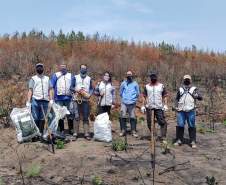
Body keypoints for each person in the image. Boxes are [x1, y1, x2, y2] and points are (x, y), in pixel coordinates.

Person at [174, 75, 203, 148]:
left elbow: (201, 97)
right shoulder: (180, 89)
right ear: (183, 80)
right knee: (180, 125)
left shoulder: (194, 89)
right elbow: (176, 99)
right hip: (181, 110)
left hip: (191, 110)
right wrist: (175, 107)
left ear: (190, 80)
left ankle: (193, 141)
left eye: (188, 79)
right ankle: (179, 140)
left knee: (191, 125)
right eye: (185, 79)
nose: (187, 81)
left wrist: (197, 96)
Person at [141, 72, 168, 142]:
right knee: (149, 122)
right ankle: (154, 135)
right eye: (152, 77)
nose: (153, 79)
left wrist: (165, 105)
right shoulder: (147, 86)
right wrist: (143, 105)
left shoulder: (161, 86)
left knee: (162, 122)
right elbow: (144, 96)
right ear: (150, 78)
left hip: (159, 107)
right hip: (149, 107)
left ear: (156, 78)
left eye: (154, 77)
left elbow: (165, 96)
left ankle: (163, 136)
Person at [50, 62, 75, 135]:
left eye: (64, 66)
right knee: (60, 115)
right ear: (59, 67)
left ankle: (71, 130)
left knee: (70, 114)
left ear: (66, 67)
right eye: (61, 66)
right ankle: (62, 130)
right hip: (58, 98)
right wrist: (52, 98)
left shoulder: (71, 75)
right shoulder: (56, 75)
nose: (63, 68)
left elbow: (74, 86)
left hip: (69, 98)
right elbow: (51, 86)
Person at [26, 63, 50, 135]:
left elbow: (50, 89)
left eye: (41, 67)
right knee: (35, 117)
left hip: (45, 101)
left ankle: (41, 133)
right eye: (38, 67)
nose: (39, 69)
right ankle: (35, 133)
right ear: (36, 69)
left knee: (43, 118)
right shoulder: (33, 79)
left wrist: (51, 99)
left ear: (43, 69)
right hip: (35, 101)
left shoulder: (47, 78)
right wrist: (28, 101)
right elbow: (30, 90)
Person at [72, 64, 94, 140]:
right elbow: (71, 87)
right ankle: (75, 133)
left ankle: (86, 133)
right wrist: (77, 90)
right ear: (80, 69)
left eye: (84, 68)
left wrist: (89, 94)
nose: (83, 69)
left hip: (86, 99)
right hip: (76, 98)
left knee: (85, 116)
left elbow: (91, 88)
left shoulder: (89, 78)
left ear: (86, 69)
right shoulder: (75, 77)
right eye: (82, 68)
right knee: (76, 116)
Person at [119, 70, 140, 137]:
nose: (129, 76)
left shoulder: (135, 84)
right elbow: (120, 93)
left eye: (130, 75)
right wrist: (124, 99)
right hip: (124, 103)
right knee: (122, 116)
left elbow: (138, 93)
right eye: (128, 74)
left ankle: (133, 131)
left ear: (132, 76)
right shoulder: (123, 83)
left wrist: (133, 99)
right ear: (126, 75)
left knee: (133, 116)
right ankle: (123, 130)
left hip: (132, 103)